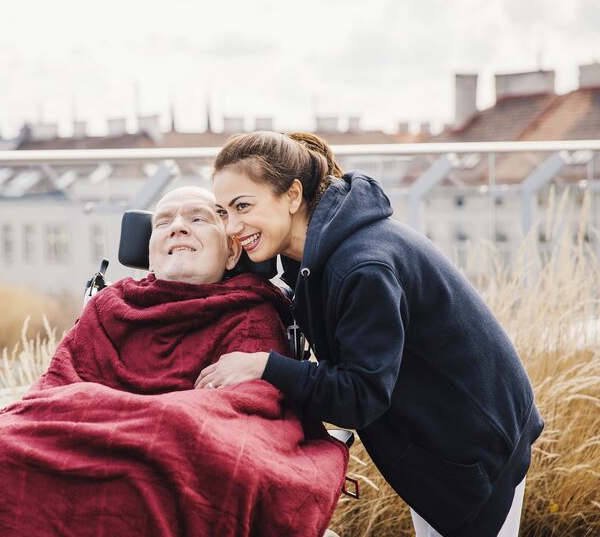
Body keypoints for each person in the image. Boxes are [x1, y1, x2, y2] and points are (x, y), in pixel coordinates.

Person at [0, 187, 349, 537]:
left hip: (178, 443)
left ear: (233, 253)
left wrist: (157, 417)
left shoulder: (251, 312)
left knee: (182, 433)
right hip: (87, 441)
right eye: (164, 222)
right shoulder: (110, 306)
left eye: (198, 219)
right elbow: (55, 386)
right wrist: (115, 411)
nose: (178, 225)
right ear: (149, 249)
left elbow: (257, 405)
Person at [198, 132, 544, 537]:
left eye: (243, 206)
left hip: (475, 447)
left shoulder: (363, 267)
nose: (233, 226)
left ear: (292, 195)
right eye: (223, 212)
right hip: (444, 437)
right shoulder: (315, 251)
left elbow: (360, 396)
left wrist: (265, 367)